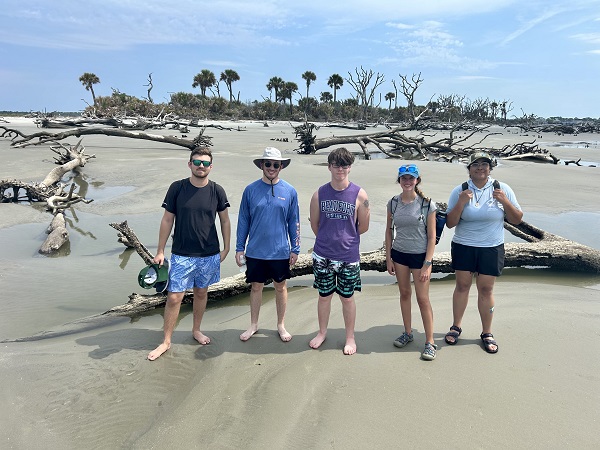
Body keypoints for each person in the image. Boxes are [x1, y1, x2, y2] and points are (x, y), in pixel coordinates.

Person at [147, 147, 231, 361]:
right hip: (182, 254)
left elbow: (224, 220)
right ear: (189, 164)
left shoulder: (217, 191)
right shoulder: (177, 188)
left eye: (205, 163)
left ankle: (196, 329)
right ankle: (166, 340)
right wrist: (159, 251)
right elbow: (167, 220)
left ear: (211, 167)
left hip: (209, 253)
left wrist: (226, 247)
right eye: (197, 162)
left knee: (201, 293)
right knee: (175, 297)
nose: (200, 166)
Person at [445, 151, 523, 354]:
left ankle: (487, 332)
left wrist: (505, 201)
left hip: (491, 246)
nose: (480, 168)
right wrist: (461, 202)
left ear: (490, 167)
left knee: (486, 289)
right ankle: (456, 326)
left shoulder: (502, 188)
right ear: (469, 168)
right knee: (462, 286)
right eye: (475, 164)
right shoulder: (460, 190)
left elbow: (517, 219)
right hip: (464, 245)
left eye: (484, 164)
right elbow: (451, 223)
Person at [308, 147, 370, 355]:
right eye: (336, 165)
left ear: (350, 168)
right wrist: (329, 239)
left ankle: (350, 337)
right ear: (329, 167)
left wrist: (346, 239)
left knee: (347, 297)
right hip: (323, 255)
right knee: (324, 296)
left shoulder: (360, 195)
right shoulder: (319, 194)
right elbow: (315, 225)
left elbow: (363, 226)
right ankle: (322, 332)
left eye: (344, 165)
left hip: (348, 257)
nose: (340, 169)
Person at [236, 147, 300, 342]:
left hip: (280, 250)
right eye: (268, 164)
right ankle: (253, 325)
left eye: (276, 165)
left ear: (281, 166)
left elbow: (294, 221)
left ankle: (281, 325)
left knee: (281, 287)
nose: (272, 168)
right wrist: (240, 248)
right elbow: (243, 220)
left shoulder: (289, 191)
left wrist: (295, 248)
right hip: (255, 250)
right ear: (262, 165)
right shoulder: (250, 190)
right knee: (256, 287)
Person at [384, 164, 437, 360]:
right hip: (399, 254)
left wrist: (427, 263)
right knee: (404, 293)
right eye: (404, 178)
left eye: (411, 178)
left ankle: (430, 341)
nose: (407, 181)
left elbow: (432, 237)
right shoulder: (393, 203)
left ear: (417, 180)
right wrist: (388, 257)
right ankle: (407, 332)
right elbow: (389, 231)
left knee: (423, 299)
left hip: (420, 256)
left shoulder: (427, 204)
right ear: (399, 181)